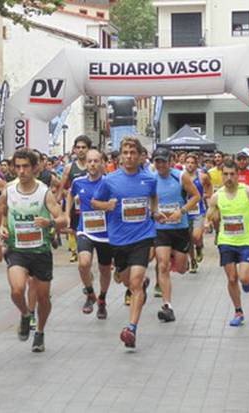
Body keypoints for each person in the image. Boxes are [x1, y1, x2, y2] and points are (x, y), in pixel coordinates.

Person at [93, 137, 159, 349]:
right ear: (120, 156)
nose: (129, 156)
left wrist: (155, 212)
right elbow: (95, 202)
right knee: (124, 280)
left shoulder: (149, 179)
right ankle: (135, 283)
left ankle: (131, 328)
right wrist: (107, 205)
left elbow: (153, 197)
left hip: (142, 236)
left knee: (136, 282)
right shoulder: (109, 180)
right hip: (119, 239)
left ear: (140, 156)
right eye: (125, 152)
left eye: (133, 152)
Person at [0, 149, 64, 352]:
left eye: (25, 166)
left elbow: (63, 219)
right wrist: (2, 228)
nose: (21, 171)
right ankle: (26, 314)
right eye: (17, 166)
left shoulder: (44, 192)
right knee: (17, 290)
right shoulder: (9, 190)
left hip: (41, 251)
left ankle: (40, 332)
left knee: (43, 298)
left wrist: (49, 221)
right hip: (17, 250)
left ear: (35, 168)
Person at [207, 159, 249, 327]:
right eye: (226, 174)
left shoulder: (248, 191)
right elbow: (211, 212)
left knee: (243, 278)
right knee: (231, 279)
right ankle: (238, 311)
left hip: (245, 241)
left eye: (232, 174)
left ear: (238, 175)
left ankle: (247, 282)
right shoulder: (217, 196)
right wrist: (208, 221)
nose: (229, 177)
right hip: (226, 241)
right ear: (222, 176)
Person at [151, 148, 201, 322]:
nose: (160, 165)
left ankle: (183, 260)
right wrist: (154, 212)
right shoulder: (151, 178)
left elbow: (196, 196)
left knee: (180, 269)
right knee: (163, 265)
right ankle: (167, 306)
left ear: (170, 161)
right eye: (157, 161)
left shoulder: (180, 176)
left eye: (163, 161)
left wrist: (183, 211)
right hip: (161, 228)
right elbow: (148, 200)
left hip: (180, 228)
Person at [67, 149, 111, 319]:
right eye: (89, 161)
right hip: (85, 230)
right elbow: (70, 195)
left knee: (104, 270)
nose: (92, 164)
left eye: (96, 161)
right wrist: (66, 214)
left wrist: (106, 206)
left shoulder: (109, 182)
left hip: (105, 233)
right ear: (86, 163)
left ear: (102, 163)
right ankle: (90, 293)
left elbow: (115, 203)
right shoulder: (78, 182)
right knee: (84, 264)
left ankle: (102, 300)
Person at [61, 135, 92, 263]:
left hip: (92, 209)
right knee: (76, 232)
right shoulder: (69, 168)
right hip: (76, 208)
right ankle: (77, 253)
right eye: (78, 147)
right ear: (74, 149)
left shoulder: (95, 165)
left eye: (83, 147)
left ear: (88, 149)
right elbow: (62, 188)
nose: (80, 150)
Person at [183, 152, 212, 273]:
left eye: (192, 163)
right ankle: (193, 260)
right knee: (189, 238)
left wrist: (202, 196)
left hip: (198, 211)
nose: (190, 165)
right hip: (185, 211)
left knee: (196, 236)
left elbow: (209, 190)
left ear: (197, 164)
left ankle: (199, 247)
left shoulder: (202, 177)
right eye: (188, 163)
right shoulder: (181, 176)